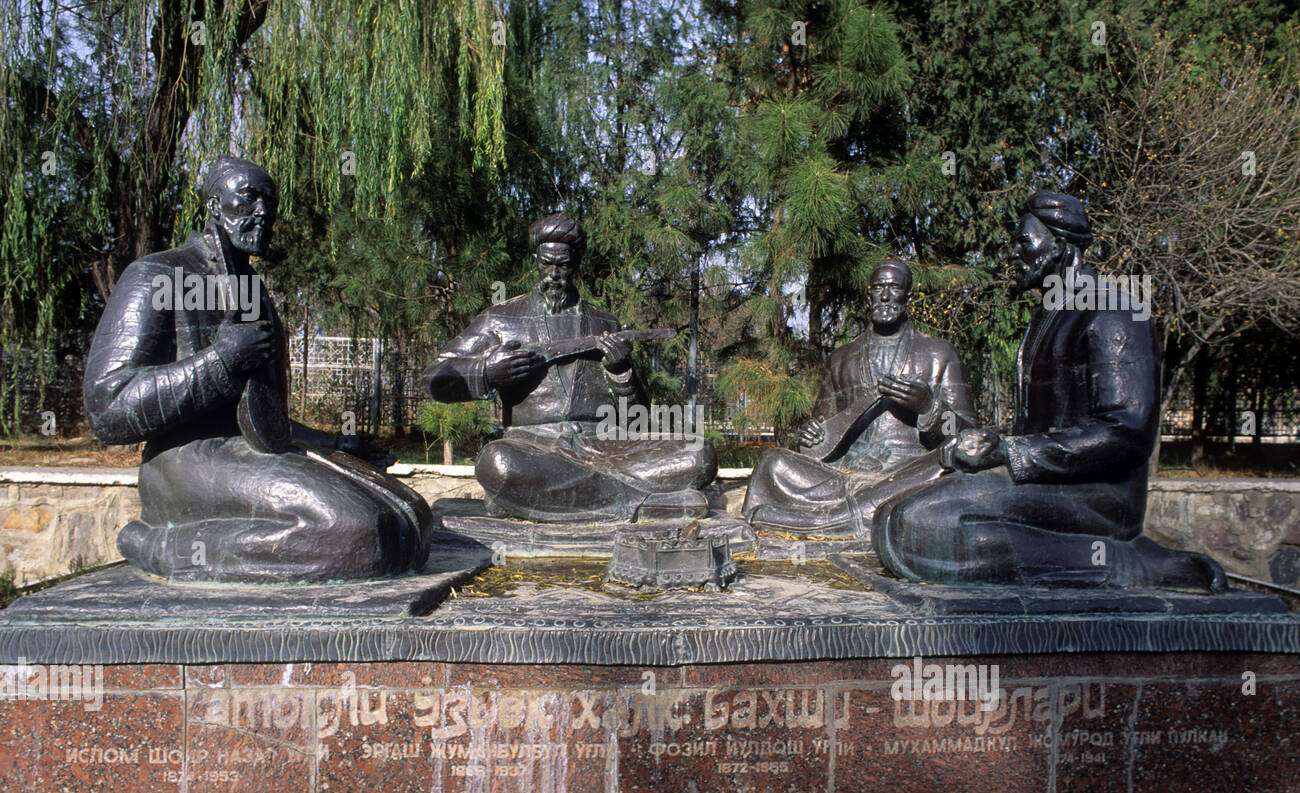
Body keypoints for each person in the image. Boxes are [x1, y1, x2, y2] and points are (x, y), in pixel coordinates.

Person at [84, 156, 433, 582]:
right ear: (214, 205)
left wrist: (335, 443)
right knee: (353, 530)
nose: (263, 212)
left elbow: (263, 422)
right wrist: (220, 362)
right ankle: (157, 544)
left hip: (246, 454)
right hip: (183, 462)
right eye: (248, 199)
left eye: (270, 201)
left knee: (407, 517)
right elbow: (108, 408)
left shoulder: (251, 290)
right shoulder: (157, 274)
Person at [872, 191, 1225, 590]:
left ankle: (1118, 562)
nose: (1012, 254)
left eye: (1024, 242)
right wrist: (993, 439)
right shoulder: (1049, 315)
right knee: (889, 516)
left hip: (1098, 495)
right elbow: (1038, 427)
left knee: (917, 526)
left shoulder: (1114, 310)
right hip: (1049, 482)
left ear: (1063, 245)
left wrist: (1011, 451)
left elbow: (1127, 433)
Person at [424, 213, 717, 522]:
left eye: (562, 265)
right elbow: (433, 378)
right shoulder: (501, 320)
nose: (553, 274)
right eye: (546, 263)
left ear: (576, 263)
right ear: (535, 260)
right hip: (535, 451)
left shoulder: (605, 323)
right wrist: (486, 372)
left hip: (608, 449)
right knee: (498, 463)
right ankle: (642, 502)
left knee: (700, 455)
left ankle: (542, 501)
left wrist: (621, 372)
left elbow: (636, 419)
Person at [742, 259, 974, 537]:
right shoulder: (841, 359)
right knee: (772, 462)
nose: (885, 296)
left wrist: (929, 408)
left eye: (893, 288)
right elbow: (823, 432)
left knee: (950, 465)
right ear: (868, 295)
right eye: (878, 288)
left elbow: (970, 436)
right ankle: (862, 514)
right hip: (845, 478)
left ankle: (831, 520)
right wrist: (811, 435)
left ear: (907, 297)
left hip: (908, 473)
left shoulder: (939, 354)